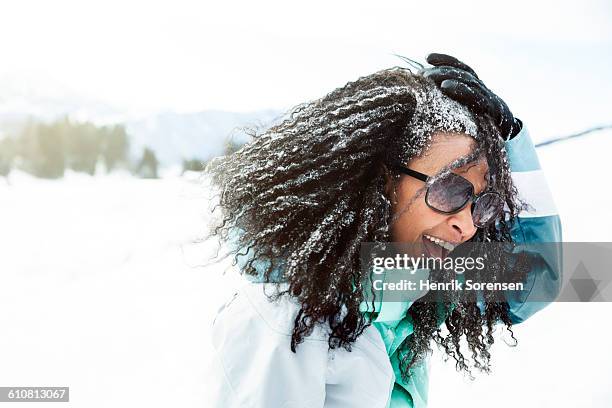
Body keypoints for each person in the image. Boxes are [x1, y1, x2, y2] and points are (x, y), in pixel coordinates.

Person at [204, 54, 562, 408]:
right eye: (451, 190)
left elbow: (535, 281)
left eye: (483, 203)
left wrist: (512, 139)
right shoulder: (284, 322)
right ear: (380, 180)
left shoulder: (405, 287)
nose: (467, 226)